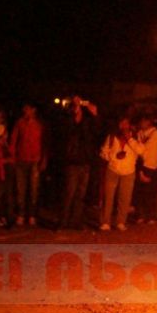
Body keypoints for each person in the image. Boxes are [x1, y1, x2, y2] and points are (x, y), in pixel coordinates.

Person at [57, 96, 99, 230]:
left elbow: (97, 132)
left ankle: (75, 222)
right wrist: (73, 116)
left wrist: (95, 115)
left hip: (85, 161)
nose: (77, 107)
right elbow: (66, 133)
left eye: (79, 104)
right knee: (69, 193)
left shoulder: (88, 120)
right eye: (75, 104)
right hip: (72, 162)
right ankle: (63, 222)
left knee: (81, 195)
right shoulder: (66, 118)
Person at [99, 117, 144, 231]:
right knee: (109, 197)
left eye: (126, 124)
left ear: (129, 125)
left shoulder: (135, 137)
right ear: (119, 125)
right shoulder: (112, 137)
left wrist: (130, 139)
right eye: (122, 124)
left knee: (124, 198)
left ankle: (121, 222)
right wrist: (112, 158)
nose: (124, 126)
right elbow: (104, 151)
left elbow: (140, 151)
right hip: (113, 170)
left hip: (128, 172)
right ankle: (105, 222)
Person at [10, 102, 45, 226]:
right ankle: (21, 214)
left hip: (35, 160)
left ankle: (32, 215)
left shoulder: (39, 124)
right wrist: (13, 157)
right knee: (21, 189)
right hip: (21, 160)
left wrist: (43, 159)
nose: (25, 110)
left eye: (28, 108)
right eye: (24, 108)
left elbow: (43, 142)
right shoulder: (19, 123)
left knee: (33, 190)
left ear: (33, 110)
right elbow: (14, 141)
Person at [135, 115, 157, 224]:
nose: (141, 123)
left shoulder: (155, 133)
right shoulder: (139, 133)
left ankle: (150, 215)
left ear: (148, 122)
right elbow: (138, 150)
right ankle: (141, 214)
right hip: (141, 164)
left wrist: (139, 147)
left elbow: (145, 149)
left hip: (151, 165)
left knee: (150, 192)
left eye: (143, 121)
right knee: (141, 191)